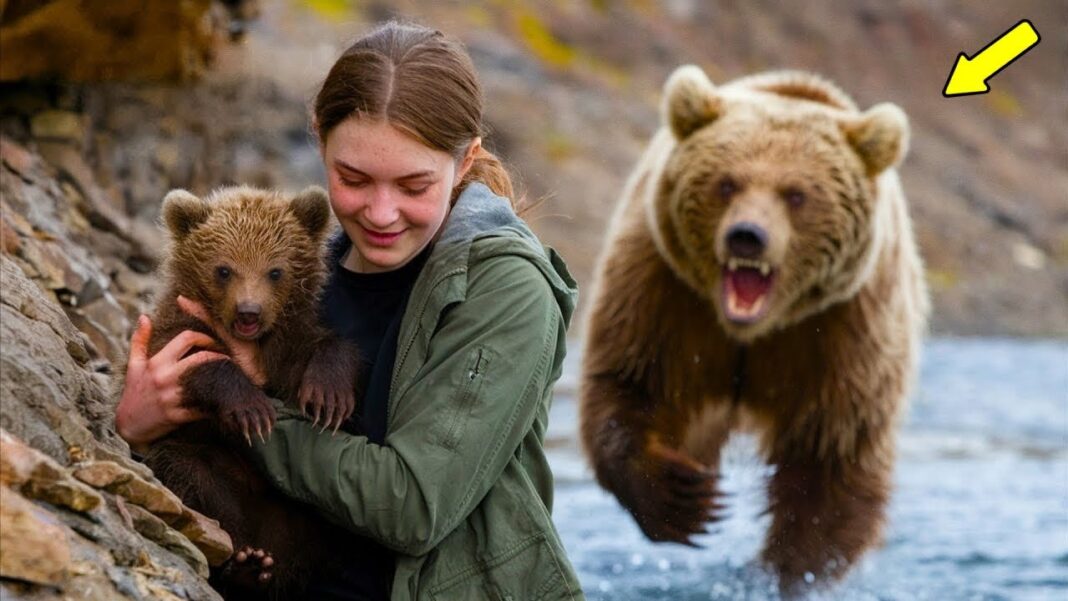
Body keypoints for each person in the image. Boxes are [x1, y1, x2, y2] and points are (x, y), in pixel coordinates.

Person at [114, 21, 584, 601]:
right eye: (354, 178)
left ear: (465, 163)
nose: (381, 214)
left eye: (413, 185)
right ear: (319, 142)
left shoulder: (507, 290)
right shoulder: (315, 265)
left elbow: (412, 508)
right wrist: (138, 426)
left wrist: (254, 404)